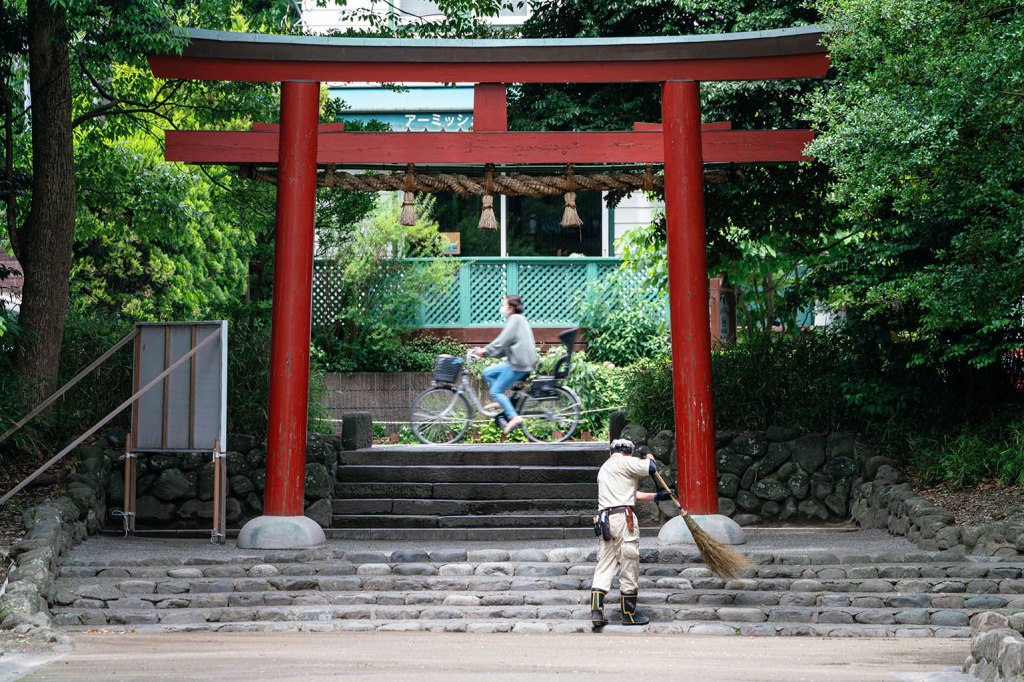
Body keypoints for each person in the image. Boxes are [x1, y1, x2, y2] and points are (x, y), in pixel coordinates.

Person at [590, 438, 672, 630]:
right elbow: (651, 467)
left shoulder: (606, 467)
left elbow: (628, 494)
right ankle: (629, 614)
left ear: (611, 452)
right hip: (623, 520)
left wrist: (656, 497)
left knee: (605, 563)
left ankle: (597, 610)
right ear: (629, 452)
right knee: (629, 561)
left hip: (605, 521)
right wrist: (648, 453)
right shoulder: (626, 461)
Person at [471, 294, 537, 434]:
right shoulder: (519, 319)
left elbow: (502, 341)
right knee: (487, 372)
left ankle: (513, 417)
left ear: (511, 307)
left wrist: (486, 351)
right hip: (519, 361)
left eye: (504, 304)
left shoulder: (515, 319)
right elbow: (506, 346)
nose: (502, 307)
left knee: (495, 391)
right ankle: (502, 402)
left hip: (519, 363)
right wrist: (486, 353)